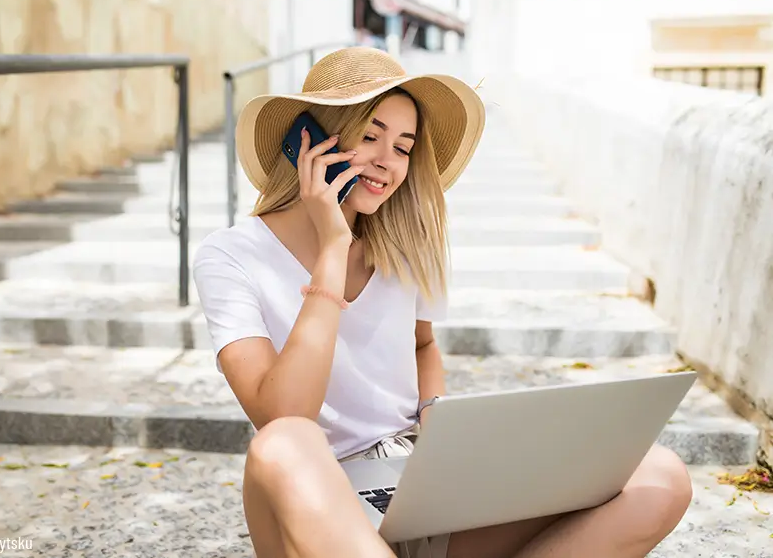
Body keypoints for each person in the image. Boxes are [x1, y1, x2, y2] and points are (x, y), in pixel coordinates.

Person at [193, 46, 693, 558]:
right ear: (311, 140)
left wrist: (436, 418)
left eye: (404, 147)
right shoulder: (231, 255)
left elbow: (422, 345)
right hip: (313, 500)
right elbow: (283, 414)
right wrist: (333, 247)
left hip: (415, 488)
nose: (387, 161)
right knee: (282, 444)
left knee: (658, 476)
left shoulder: (404, 245)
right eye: (370, 136)